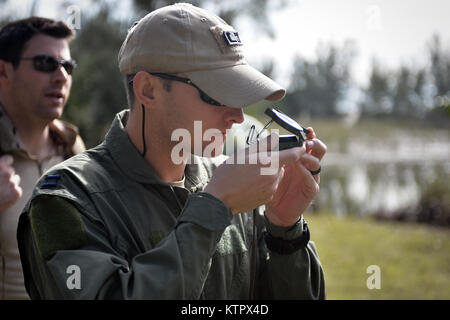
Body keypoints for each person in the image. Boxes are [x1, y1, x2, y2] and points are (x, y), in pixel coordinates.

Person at [17, 3, 326, 300]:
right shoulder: (65, 200)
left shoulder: (237, 184)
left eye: (238, 95)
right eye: (217, 94)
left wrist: (285, 229)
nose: (237, 116)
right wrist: (215, 207)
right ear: (148, 89)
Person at [0, 17, 85, 299]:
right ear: (3, 71)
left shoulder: (73, 149)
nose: (61, 76)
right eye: (45, 63)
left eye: (67, 66)